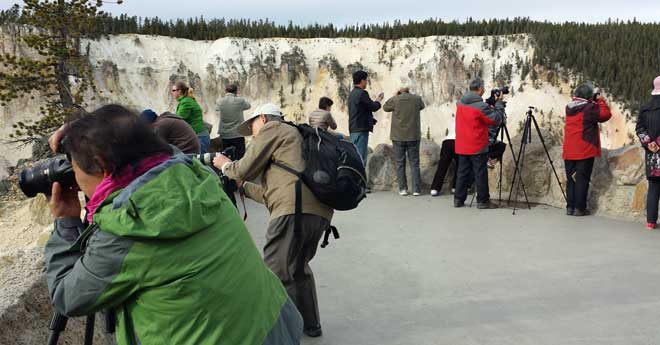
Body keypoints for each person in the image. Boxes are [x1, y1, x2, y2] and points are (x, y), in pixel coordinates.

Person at [45, 104, 303, 345]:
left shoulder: (126, 231)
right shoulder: (194, 174)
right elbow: (164, 151)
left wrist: (67, 221)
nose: (75, 178)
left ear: (101, 166)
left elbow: (67, 297)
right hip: (274, 325)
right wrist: (85, 134)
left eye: (74, 167)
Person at [212, 103, 333, 338]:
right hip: (317, 213)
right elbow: (275, 196)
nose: (253, 133)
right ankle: (311, 325)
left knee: (274, 272)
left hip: (293, 212)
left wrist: (224, 165)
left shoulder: (274, 129)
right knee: (298, 269)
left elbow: (241, 169)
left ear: (264, 119)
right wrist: (244, 188)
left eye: (253, 125)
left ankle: (280, 334)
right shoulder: (296, 138)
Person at [454, 78, 504, 209]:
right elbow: (495, 120)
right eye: (483, 88)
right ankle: (482, 201)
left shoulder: (460, 103)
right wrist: (499, 104)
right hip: (476, 144)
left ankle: (458, 199)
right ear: (480, 89)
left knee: (462, 172)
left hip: (462, 143)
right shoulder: (481, 106)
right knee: (480, 172)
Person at [563, 83, 612, 216]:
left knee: (571, 179)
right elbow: (605, 115)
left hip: (569, 149)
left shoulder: (569, 107)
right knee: (582, 178)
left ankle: (570, 207)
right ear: (588, 96)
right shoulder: (589, 108)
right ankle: (579, 208)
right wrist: (600, 100)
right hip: (584, 148)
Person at [383, 87, 425, 196]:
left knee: (400, 163)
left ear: (400, 92)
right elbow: (422, 106)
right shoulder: (416, 99)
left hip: (398, 136)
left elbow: (385, 107)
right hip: (413, 135)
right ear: (408, 91)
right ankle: (416, 189)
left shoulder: (395, 100)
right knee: (414, 163)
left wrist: (395, 95)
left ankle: (403, 189)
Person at [636, 76, 660, 229]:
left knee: (653, 187)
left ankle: (651, 221)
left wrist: (649, 143)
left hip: (652, 155)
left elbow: (639, 129)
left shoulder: (645, 107)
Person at [348, 70, 383, 167]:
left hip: (353, 128)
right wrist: (378, 101)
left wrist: (371, 120)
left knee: (355, 156)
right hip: (361, 129)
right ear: (362, 80)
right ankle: (360, 181)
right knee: (361, 158)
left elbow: (358, 111)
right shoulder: (362, 93)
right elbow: (373, 107)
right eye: (366, 80)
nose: (366, 82)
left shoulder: (352, 94)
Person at [172, 81, 210, 154]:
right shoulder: (186, 100)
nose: (172, 92)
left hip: (199, 138)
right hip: (199, 136)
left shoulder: (186, 102)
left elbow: (178, 118)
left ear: (179, 91)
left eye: (173, 90)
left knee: (199, 162)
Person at [217, 83, 251, 159]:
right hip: (238, 134)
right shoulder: (240, 101)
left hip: (225, 135)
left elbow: (216, 109)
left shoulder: (219, 101)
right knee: (240, 158)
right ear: (236, 92)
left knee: (226, 157)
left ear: (225, 91)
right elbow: (248, 106)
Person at [430, 116, 458, 196]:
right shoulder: (467, 119)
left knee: (442, 166)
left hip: (447, 141)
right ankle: (455, 187)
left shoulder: (453, 119)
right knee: (460, 165)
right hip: (458, 141)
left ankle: (435, 188)